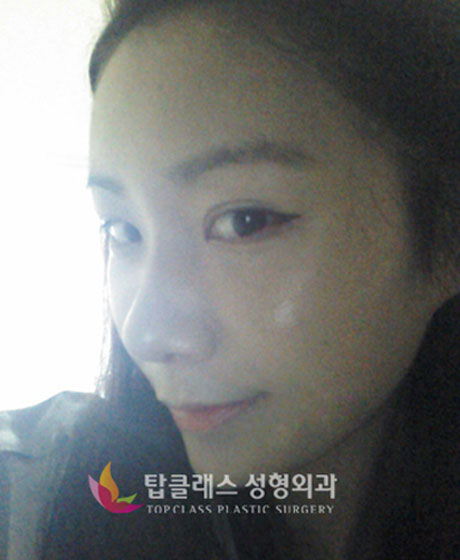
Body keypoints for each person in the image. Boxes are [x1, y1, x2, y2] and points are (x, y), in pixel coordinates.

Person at [1, 1, 458, 558]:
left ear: (446, 237)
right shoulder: (38, 496)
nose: (145, 332)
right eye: (122, 229)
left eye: (245, 221)